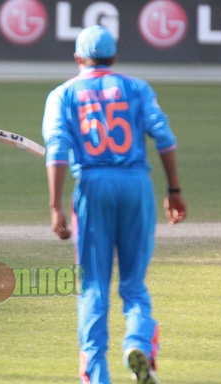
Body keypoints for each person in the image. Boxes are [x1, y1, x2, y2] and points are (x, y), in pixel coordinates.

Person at [42, 25, 187, 384]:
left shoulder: (62, 94)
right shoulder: (137, 88)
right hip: (137, 184)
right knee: (134, 283)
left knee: (93, 284)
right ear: (114, 56)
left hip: (93, 186)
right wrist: (174, 189)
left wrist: (55, 206)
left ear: (78, 58)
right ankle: (138, 344)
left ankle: (96, 372)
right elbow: (165, 139)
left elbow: (57, 150)